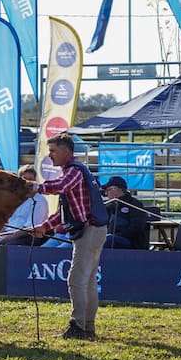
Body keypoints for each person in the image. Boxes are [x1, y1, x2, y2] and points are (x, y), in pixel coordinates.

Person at [33, 133, 109, 339]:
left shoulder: (73, 171)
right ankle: (88, 328)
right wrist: (44, 227)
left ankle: (78, 326)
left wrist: (36, 187)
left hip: (90, 231)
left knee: (76, 279)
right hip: (94, 230)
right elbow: (65, 212)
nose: (50, 155)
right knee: (88, 281)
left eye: (53, 151)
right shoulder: (76, 170)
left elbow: (60, 186)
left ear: (66, 151)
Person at [0, 165, 47, 246]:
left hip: (26, 237)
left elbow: (29, 229)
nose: (28, 182)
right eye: (25, 179)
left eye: (31, 179)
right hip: (7, 235)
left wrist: (4, 240)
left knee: (9, 245)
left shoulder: (39, 200)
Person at [102, 176, 149, 250]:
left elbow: (137, 227)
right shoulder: (109, 206)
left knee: (107, 240)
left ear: (116, 189)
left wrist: (117, 235)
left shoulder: (134, 204)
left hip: (132, 242)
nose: (106, 193)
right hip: (113, 238)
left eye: (108, 190)